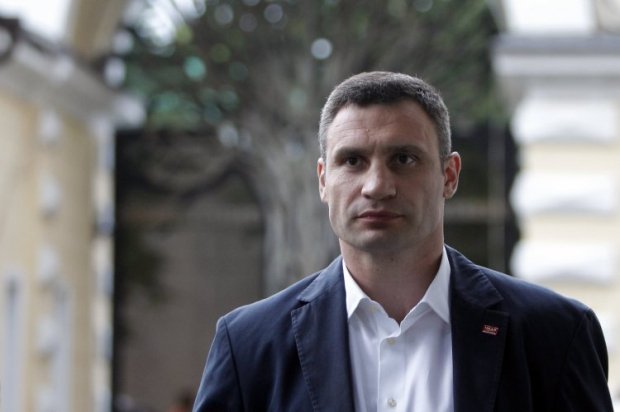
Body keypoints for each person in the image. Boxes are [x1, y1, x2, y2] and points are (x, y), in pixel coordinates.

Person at [193, 71, 613, 411]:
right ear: (323, 180)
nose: (377, 185)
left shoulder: (554, 334)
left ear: (449, 175)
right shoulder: (248, 345)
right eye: (352, 160)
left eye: (404, 159)